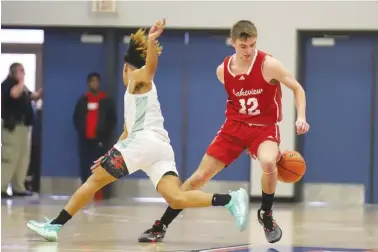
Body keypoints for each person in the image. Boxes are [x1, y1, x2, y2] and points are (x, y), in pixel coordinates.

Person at [26, 18, 249, 242]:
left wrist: (152, 41)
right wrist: (109, 154)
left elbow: (150, 69)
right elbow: (126, 132)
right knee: (177, 198)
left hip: (143, 144)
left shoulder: (136, 79)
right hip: (160, 149)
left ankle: (55, 226)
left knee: (93, 181)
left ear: (125, 67)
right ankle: (229, 200)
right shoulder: (136, 96)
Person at [138, 20, 310, 244]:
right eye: (243, 46)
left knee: (268, 162)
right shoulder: (223, 71)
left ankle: (266, 215)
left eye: (252, 45)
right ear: (234, 43)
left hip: (263, 129)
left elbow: (297, 88)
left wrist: (301, 117)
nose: (248, 51)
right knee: (198, 178)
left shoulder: (268, 64)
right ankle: (160, 225)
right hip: (234, 128)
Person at [1, 63, 43, 198]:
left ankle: (19, 187)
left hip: (24, 127)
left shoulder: (22, 87)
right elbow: (14, 94)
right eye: (21, 71)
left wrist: (40, 94)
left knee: (23, 157)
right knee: (10, 157)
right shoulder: (7, 84)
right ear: (13, 72)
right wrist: (21, 81)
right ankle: (2, 186)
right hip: (12, 127)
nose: (23, 73)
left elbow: (32, 96)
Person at [73, 72, 117, 183]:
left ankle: (100, 193)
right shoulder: (82, 101)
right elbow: (76, 118)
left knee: (101, 166)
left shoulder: (106, 101)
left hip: (101, 141)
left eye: (96, 81)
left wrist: (104, 133)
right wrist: (82, 132)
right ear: (88, 84)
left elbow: (112, 120)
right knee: (85, 166)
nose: (94, 84)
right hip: (85, 141)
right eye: (92, 81)